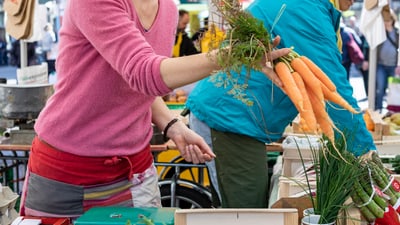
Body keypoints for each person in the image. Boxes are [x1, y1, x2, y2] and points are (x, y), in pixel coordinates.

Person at [19, 0, 290, 219]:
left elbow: (139, 86)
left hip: (134, 171)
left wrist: (173, 126)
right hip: (67, 170)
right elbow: (143, 73)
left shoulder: (168, 9)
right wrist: (232, 56)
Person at [186, 0, 376, 208]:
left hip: (237, 116)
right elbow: (333, 88)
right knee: (247, 215)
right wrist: (366, 153)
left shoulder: (312, 7)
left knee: (244, 210)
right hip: (229, 116)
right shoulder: (305, 8)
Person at [375, 9, 399, 112]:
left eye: (388, 20)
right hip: (381, 65)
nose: (386, 22)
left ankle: (392, 111)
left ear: (392, 20)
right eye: (384, 20)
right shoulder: (380, 32)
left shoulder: (397, 32)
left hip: (394, 66)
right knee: (380, 88)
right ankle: (378, 109)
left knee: (394, 89)